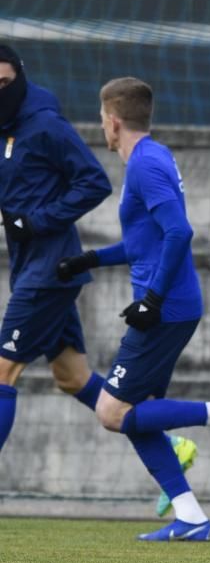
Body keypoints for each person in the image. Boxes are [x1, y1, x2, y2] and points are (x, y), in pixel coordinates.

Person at [55, 77, 210, 542]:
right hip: (171, 305)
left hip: (166, 310)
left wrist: (153, 300)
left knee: (111, 411)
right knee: (138, 412)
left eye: (101, 120)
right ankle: (191, 518)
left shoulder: (145, 166)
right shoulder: (153, 156)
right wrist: (92, 258)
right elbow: (147, 241)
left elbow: (179, 232)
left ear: (112, 120)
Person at [0, 45, 111, 454]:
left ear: (19, 78)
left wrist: (36, 220)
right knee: (72, 377)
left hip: (51, 268)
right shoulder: (5, 126)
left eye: (4, 83)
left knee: (2, 371)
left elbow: (95, 182)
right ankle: (199, 427)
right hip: (30, 264)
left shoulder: (45, 124)